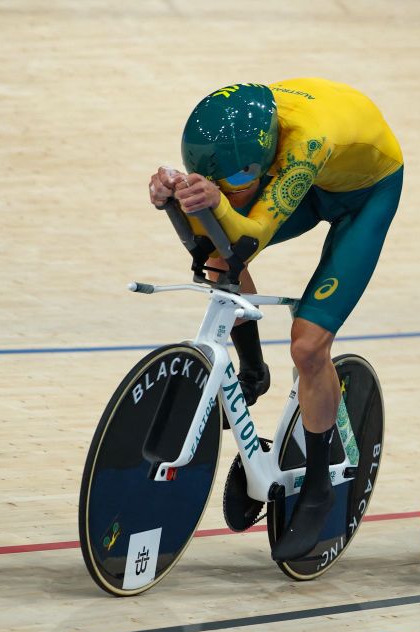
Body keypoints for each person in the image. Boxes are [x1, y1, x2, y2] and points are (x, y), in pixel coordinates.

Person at [147, 79, 403, 561]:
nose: (227, 190)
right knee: (221, 263)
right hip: (313, 179)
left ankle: (316, 485)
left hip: (366, 194)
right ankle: (253, 372)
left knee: (308, 347)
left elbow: (251, 232)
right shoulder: (238, 135)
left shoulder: (307, 139)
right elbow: (217, 240)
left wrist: (212, 203)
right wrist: (175, 196)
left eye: (236, 181)